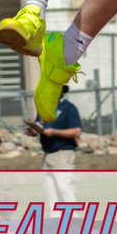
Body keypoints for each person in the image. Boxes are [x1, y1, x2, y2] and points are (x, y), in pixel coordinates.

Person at [25, 85, 81, 213]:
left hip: (63, 153)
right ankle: (55, 220)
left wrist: (54, 132)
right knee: (50, 189)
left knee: (65, 187)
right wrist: (33, 131)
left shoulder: (69, 108)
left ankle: (73, 219)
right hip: (48, 153)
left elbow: (76, 131)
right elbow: (39, 125)